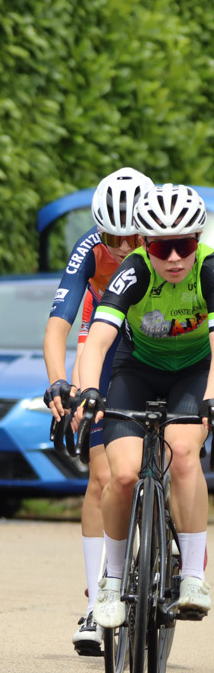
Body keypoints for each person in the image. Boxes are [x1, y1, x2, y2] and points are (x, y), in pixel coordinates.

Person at [74, 183, 213, 628]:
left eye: (183, 245)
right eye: (160, 247)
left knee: (184, 452)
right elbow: (98, 340)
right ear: (145, 244)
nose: (173, 258)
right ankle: (111, 581)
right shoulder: (133, 271)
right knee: (123, 474)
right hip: (137, 369)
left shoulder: (208, 269)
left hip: (194, 370)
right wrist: (88, 390)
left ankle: (192, 578)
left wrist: (210, 398)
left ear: (197, 240)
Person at [42, 167, 153, 654]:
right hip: (107, 344)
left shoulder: (171, 248)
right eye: (113, 237)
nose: (124, 247)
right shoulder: (89, 248)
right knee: (101, 476)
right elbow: (58, 329)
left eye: (133, 237)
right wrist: (59, 385)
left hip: (161, 345)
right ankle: (96, 600)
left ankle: (173, 529)